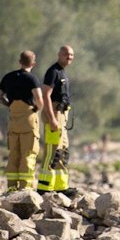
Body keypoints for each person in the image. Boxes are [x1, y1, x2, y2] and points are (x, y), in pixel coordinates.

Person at [0, 51, 51, 193]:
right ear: (33, 63)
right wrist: (35, 109)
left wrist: (9, 105)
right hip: (28, 120)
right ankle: (25, 188)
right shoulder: (32, 79)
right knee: (28, 154)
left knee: (14, 153)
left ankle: (12, 187)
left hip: (13, 119)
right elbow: (39, 100)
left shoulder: (8, 77)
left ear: (19, 61)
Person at [37, 44, 76, 193]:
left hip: (62, 116)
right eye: (66, 54)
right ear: (59, 55)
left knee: (63, 151)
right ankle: (44, 187)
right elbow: (46, 94)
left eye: (71, 55)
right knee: (52, 151)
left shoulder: (63, 72)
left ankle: (61, 187)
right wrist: (52, 118)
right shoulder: (53, 72)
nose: (69, 57)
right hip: (54, 114)